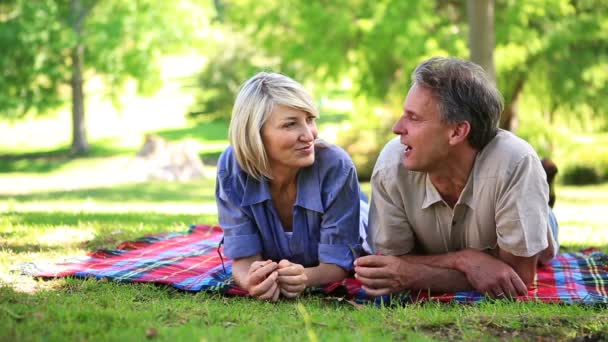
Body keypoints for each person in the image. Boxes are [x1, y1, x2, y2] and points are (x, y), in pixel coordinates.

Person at [354, 57, 559, 299]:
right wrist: (467, 260)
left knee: (544, 236)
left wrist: (410, 272)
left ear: (456, 131)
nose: (398, 128)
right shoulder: (392, 166)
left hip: (533, 216)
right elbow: (390, 266)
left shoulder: (516, 163)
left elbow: (517, 277)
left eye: (414, 118)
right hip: (484, 231)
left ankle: (541, 198)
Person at [216, 72, 367, 301]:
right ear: (254, 134)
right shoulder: (232, 169)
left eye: (309, 120)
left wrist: (304, 277)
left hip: (359, 221)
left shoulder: (336, 166)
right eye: (290, 124)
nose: (309, 135)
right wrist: (251, 282)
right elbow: (244, 259)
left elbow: (337, 265)